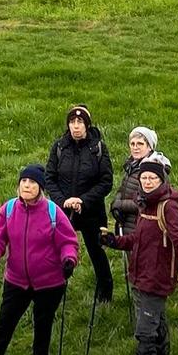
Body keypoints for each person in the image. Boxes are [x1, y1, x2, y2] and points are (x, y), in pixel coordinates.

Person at [100, 158, 178, 355]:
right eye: (144, 178)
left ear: (162, 180)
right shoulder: (145, 204)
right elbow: (138, 239)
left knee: (145, 330)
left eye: (152, 178)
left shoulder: (169, 207)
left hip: (157, 276)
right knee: (158, 320)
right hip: (142, 272)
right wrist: (115, 241)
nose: (147, 181)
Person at [0, 164, 80, 355]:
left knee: (43, 320)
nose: (26, 185)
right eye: (23, 181)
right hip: (16, 278)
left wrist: (69, 260)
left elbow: (68, 242)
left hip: (49, 281)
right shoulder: (8, 209)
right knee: (6, 318)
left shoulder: (53, 212)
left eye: (32, 182)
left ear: (40, 188)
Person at [46, 104, 115, 302]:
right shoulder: (59, 147)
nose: (76, 126)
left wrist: (83, 201)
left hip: (91, 211)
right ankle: (51, 290)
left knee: (97, 252)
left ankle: (105, 294)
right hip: (63, 211)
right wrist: (62, 201)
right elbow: (49, 178)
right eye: (72, 122)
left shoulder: (98, 148)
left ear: (87, 125)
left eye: (80, 122)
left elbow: (106, 181)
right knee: (54, 251)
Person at [110, 126, 172, 236]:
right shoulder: (132, 165)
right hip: (128, 223)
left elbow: (149, 200)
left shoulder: (155, 169)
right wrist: (117, 201)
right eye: (132, 144)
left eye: (140, 144)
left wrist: (120, 205)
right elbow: (123, 188)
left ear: (149, 147)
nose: (135, 147)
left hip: (144, 225)